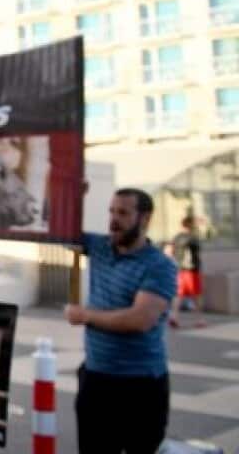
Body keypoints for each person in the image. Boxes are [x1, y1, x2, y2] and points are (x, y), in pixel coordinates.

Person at [64, 189, 176, 454]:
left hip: (140, 388)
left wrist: (85, 315)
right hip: (97, 381)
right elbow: (58, 230)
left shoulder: (160, 266)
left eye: (123, 213)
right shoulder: (100, 247)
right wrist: (69, 192)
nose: (114, 220)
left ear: (145, 218)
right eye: (112, 212)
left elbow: (140, 319)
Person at [168, 214, 205, 329]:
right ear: (190, 225)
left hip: (179, 270)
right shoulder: (192, 238)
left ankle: (174, 316)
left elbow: (169, 252)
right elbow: (197, 252)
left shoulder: (177, 237)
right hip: (191, 270)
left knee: (178, 295)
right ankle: (199, 319)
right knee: (197, 295)